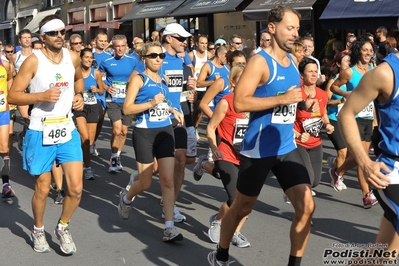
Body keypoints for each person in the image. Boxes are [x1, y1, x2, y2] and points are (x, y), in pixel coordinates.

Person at [208, 6, 317, 266]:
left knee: (307, 206)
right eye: (289, 28)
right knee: (242, 208)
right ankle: (220, 255)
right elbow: (240, 102)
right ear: (272, 27)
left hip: (286, 146)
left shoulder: (292, 60)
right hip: (258, 150)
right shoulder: (260, 61)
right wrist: (282, 98)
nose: (295, 34)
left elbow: (290, 97)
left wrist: (302, 104)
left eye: (297, 29)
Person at [8, 14, 85, 255]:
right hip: (41, 129)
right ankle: (39, 229)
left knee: (76, 189)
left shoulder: (73, 58)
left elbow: (79, 78)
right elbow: (12, 95)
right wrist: (39, 96)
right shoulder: (33, 61)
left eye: (62, 31)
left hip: (67, 128)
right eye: (54, 33)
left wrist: (79, 95)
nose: (60, 36)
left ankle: (63, 226)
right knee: (42, 188)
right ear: (43, 37)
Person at [118, 42, 184, 242]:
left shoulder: (163, 79)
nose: (158, 59)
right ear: (144, 58)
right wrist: (151, 103)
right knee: (145, 183)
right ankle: (126, 197)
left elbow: (163, 103)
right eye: (154, 55)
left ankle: (169, 227)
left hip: (165, 131)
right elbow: (127, 109)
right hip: (144, 133)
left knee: (167, 179)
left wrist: (173, 110)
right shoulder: (139, 79)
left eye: (161, 56)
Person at [338, 51, 399, 265]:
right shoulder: (385, 73)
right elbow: (345, 113)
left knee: (383, 255)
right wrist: (364, 162)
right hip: (392, 168)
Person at [202, 65, 251, 248]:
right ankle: (218, 220)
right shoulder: (226, 101)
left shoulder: (254, 102)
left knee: (247, 200)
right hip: (227, 154)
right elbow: (211, 127)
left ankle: (236, 233)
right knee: (235, 198)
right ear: (233, 82)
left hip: (247, 157)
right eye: (242, 79)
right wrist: (214, 148)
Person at [330, 36, 378, 208]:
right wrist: (346, 94)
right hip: (353, 118)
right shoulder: (349, 72)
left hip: (368, 118)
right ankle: (367, 196)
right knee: (362, 157)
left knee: (359, 158)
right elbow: (333, 86)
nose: (368, 53)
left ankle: (337, 171)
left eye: (370, 50)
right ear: (358, 51)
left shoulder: (373, 70)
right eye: (365, 50)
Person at [292, 57, 334, 198]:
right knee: (308, 179)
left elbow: (323, 112)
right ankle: (294, 195)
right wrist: (298, 135)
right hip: (299, 142)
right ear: (302, 75)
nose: (314, 74)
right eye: (310, 71)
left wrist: (327, 124)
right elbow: (285, 121)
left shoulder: (322, 94)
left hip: (316, 142)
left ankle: (293, 190)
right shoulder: (296, 95)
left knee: (315, 181)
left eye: (316, 71)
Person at [99, 34, 138, 172]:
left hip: (128, 100)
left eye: (122, 46)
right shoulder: (107, 61)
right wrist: (106, 87)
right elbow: (98, 78)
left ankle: (118, 155)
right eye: (117, 46)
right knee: (116, 129)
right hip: (113, 99)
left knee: (124, 131)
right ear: (113, 47)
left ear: (126, 45)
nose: (120, 49)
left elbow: (140, 76)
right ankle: (114, 157)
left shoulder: (133, 61)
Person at [74, 48, 104, 179]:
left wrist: (96, 89)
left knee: (89, 142)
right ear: (81, 58)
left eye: (91, 58)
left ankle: (84, 163)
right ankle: (87, 168)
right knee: (85, 138)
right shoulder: (75, 72)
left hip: (92, 106)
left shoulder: (96, 73)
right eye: (86, 57)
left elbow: (102, 91)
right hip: (80, 107)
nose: (89, 60)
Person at [325, 51, 351, 179]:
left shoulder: (351, 80)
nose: (349, 64)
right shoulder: (332, 81)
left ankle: (333, 164)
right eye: (346, 61)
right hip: (333, 119)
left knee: (348, 154)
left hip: (347, 120)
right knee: (342, 151)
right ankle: (338, 178)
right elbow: (325, 102)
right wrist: (339, 101)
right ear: (339, 64)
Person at [91, 31, 111, 157]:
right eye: (101, 40)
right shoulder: (89, 55)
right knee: (93, 118)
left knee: (100, 119)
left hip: (103, 92)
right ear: (95, 41)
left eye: (105, 41)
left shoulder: (109, 56)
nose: (103, 43)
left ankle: (93, 142)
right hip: (91, 90)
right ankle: (88, 142)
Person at [0, 47, 14, 199]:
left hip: (3, 110)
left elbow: (10, 78)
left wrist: (9, 93)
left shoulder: (6, 65)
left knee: (4, 146)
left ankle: (6, 184)